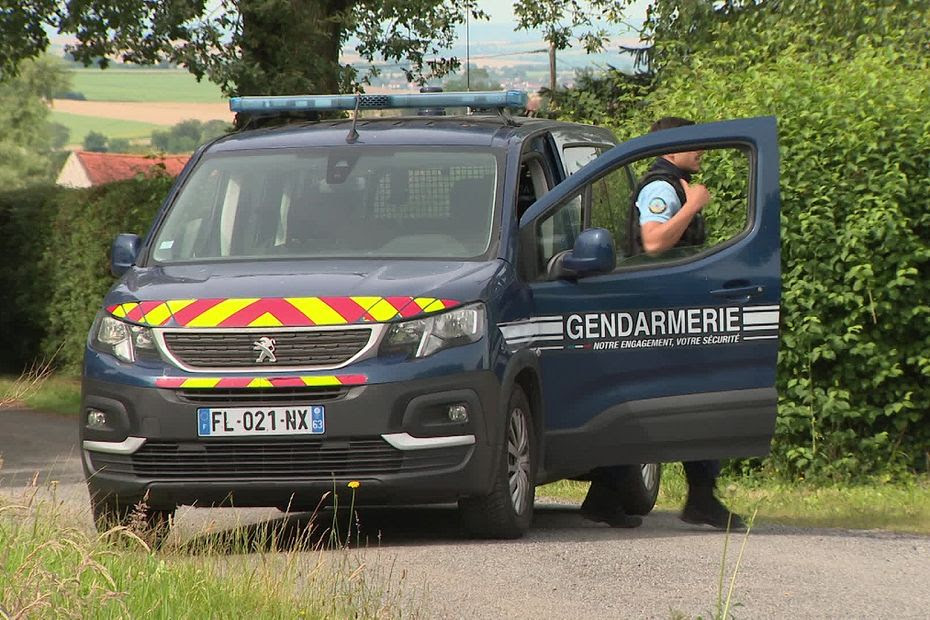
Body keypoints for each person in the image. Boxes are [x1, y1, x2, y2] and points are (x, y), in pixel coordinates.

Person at [580, 116, 746, 531]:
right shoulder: (661, 187)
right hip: (658, 309)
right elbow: (653, 242)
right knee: (684, 400)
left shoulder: (670, 183)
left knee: (663, 401)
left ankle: (609, 496)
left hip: (664, 306)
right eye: (693, 144)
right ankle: (696, 499)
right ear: (670, 149)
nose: (701, 150)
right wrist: (692, 206)